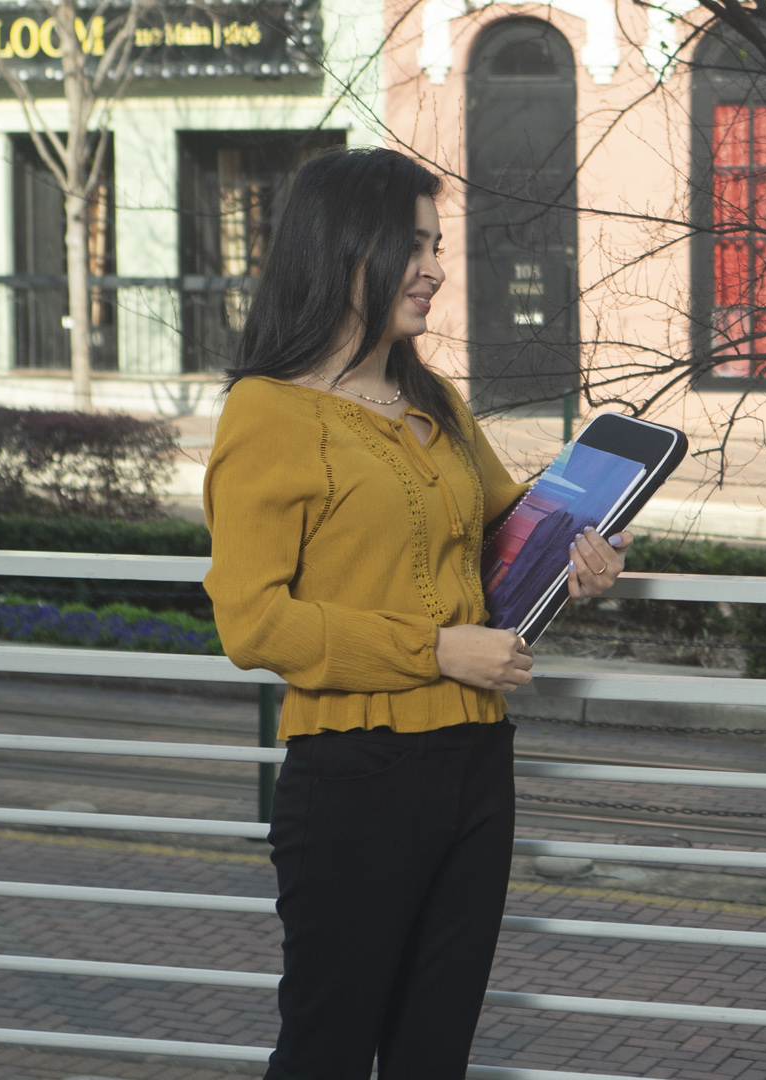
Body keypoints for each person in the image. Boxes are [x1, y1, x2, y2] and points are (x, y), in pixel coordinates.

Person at [203, 147, 629, 1080]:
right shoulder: (268, 415)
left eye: (437, 246)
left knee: (434, 1055)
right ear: (343, 247)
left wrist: (584, 556)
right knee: (326, 1053)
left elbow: (509, 530)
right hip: (356, 773)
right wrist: (435, 651)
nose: (435, 268)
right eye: (414, 245)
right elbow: (254, 624)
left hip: (476, 761)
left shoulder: (431, 400)